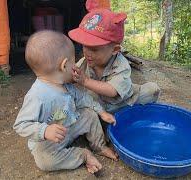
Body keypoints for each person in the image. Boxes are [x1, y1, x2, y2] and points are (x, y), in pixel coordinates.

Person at [13, 30, 118, 174]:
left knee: (90, 114)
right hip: (49, 141)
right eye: (74, 62)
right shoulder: (37, 96)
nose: (76, 65)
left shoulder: (66, 85)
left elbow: (84, 99)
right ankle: (83, 155)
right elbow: (21, 125)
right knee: (44, 161)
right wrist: (45, 131)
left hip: (70, 125)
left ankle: (99, 146)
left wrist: (101, 112)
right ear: (64, 65)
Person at [69, 7, 161, 113]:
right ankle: (104, 117)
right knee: (82, 97)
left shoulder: (121, 65)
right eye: (85, 46)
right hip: (100, 104)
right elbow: (72, 75)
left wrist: (85, 81)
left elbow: (112, 91)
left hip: (125, 101)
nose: (87, 53)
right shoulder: (85, 61)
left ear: (115, 49)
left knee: (152, 90)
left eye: (94, 49)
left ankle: (135, 112)